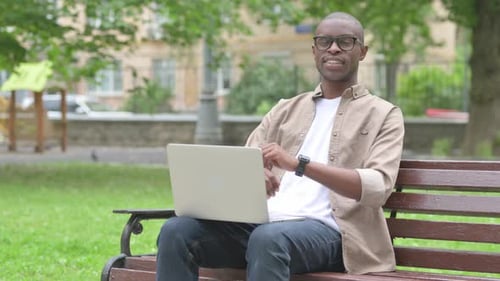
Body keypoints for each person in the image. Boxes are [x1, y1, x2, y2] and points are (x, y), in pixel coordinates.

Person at [156, 11, 404, 281]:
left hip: (334, 234)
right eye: (325, 41)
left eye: (345, 41)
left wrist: (299, 165)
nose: (333, 48)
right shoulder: (286, 109)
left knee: (268, 239)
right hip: (262, 227)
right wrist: (251, 177)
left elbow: (378, 186)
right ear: (314, 50)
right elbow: (244, 163)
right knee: (177, 231)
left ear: (362, 51)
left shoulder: (384, 114)